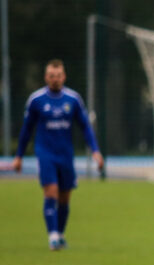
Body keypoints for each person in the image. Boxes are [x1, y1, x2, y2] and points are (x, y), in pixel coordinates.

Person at [12, 59, 104, 251]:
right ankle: (52, 236)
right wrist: (19, 156)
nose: (55, 79)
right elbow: (26, 130)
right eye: (52, 76)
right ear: (46, 77)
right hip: (45, 153)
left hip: (65, 154)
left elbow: (85, 127)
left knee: (65, 198)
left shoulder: (73, 99)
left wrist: (95, 150)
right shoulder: (36, 100)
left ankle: (60, 234)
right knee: (51, 192)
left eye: (59, 76)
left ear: (64, 77)